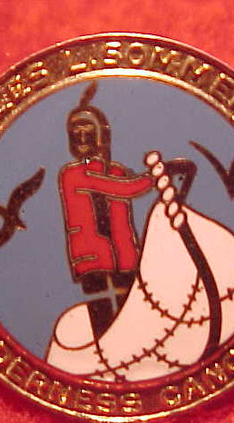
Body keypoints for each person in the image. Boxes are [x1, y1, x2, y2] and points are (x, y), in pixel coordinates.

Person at [58, 82, 152, 338]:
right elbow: (123, 189)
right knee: (104, 321)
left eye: (88, 129)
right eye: (76, 131)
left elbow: (121, 188)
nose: (81, 136)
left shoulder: (117, 171)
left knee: (132, 314)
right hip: (93, 260)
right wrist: (153, 177)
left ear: (101, 134)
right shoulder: (72, 175)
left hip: (126, 258)